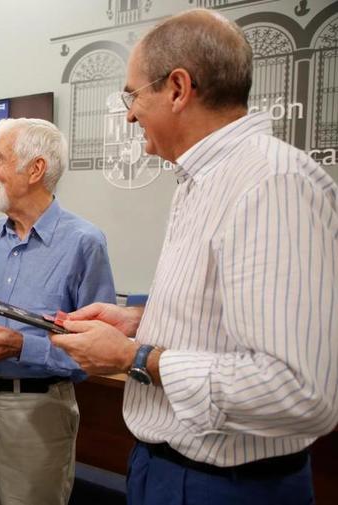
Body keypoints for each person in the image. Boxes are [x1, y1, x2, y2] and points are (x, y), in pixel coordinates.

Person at [51, 9, 338, 505]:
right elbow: (228, 319)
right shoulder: (202, 182)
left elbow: (298, 391)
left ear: (179, 89)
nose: (129, 113)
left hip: (228, 486)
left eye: (133, 94)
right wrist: (138, 321)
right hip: (165, 470)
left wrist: (134, 357)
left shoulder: (272, 184)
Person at [0, 117, 116, 505]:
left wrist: (23, 348)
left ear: (36, 169)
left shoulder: (85, 244)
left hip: (38, 410)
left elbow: (99, 352)